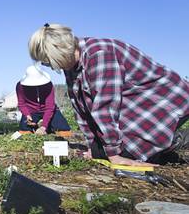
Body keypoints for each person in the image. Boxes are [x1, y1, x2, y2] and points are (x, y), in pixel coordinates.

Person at [29, 23, 189, 168]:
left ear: (59, 53)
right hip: (135, 104)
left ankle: (176, 140)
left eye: (48, 62)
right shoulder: (71, 66)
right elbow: (81, 109)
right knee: (104, 152)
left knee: (125, 154)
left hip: (165, 98)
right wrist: (94, 147)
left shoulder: (99, 55)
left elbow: (105, 107)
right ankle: (161, 146)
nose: (49, 67)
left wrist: (114, 155)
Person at [16, 65, 71, 135]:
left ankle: (47, 127)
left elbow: (50, 106)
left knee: (64, 132)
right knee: (24, 132)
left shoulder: (48, 85)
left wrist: (43, 127)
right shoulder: (20, 86)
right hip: (31, 111)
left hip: (48, 110)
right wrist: (27, 115)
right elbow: (21, 104)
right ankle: (36, 127)